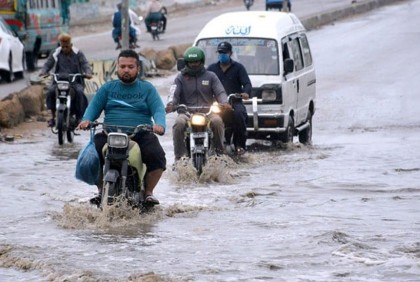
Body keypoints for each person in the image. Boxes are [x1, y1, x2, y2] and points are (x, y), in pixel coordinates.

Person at [78, 49, 166, 206]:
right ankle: (100, 190)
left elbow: (158, 109)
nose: (126, 70)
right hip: (109, 133)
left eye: (130, 67)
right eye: (122, 66)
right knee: (91, 156)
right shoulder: (107, 88)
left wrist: (159, 124)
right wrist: (86, 120)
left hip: (140, 134)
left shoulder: (147, 89)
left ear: (138, 68)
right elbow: (93, 107)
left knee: (157, 156)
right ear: (117, 67)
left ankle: (148, 192)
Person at [165, 46, 230, 161]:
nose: (194, 64)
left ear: (202, 61)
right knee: (178, 124)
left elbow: (220, 92)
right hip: (186, 113)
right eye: (191, 62)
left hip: (208, 112)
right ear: (186, 63)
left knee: (218, 122)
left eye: (196, 62)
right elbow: (173, 93)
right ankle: (179, 158)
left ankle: (219, 154)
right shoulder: (180, 78)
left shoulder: (211, 76)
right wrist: (171, 104)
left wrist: (224, 102)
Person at [207, 41, 252, 155]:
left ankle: (239, 145)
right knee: (203, 117)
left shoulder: (239, 68)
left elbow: (247, 83)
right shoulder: (211, 69)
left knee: (239, 115)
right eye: (220, 52)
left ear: (230, 53)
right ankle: (205, 146)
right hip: (216, 104)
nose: (222, 55)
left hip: (234, 102)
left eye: (224, 52)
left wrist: (245, 93)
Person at [39, 33, 92, 128]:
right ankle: (53, 117)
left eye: (66, 47)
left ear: (71, 45)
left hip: (75, 82)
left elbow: (85, 64)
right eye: (62, 46)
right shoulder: (56, 53)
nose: (64, 49)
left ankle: (79, 117)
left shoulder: (78, 53)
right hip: (59, 82)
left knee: (80, 92)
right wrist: (44, 71)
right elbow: (48, 64)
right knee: (51, 91)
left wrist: (88, 72)